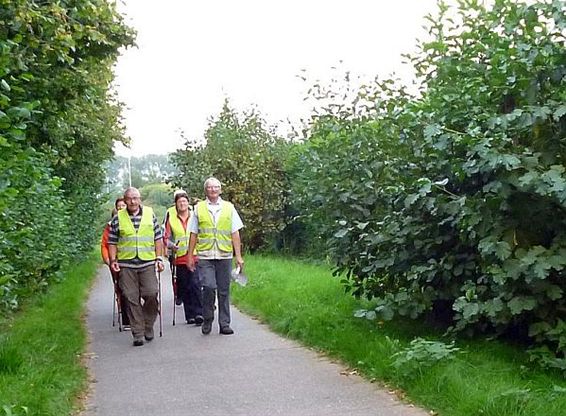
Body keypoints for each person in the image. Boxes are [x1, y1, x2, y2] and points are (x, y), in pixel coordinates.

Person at [108, 187, 165, 347]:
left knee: (151, 293)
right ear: (125, 201)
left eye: (136, 198)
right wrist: (113, 260)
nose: (133, 201)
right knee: (130, 297)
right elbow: (112, 241)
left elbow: (158, 238)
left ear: (140, 199)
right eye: (129, 199)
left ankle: (148, 325)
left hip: (147, 262)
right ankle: (138, 333)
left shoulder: (149, 214)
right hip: (126, 265)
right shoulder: (117, 218)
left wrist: (159, 258)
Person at [187, 177, 244, 335]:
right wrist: (190, 255)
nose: (213, 190)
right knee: (209, 287)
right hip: (205, 255)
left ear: (220, 190)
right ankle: (208, 318)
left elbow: (235, 233)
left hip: (224, 254)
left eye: (216, 187)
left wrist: (238, 256)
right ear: (206, 190)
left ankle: (224, 323)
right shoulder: (198, 208)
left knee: (224, 290)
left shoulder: (229, 207)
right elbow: (193, 233)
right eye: (210, 187)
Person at [163, 191, 204, 325]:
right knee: (185, 285)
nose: (182, 204)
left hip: (195, 254)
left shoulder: (195, 216)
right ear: (175, 204)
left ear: (188, 203)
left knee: (195, 283)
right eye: (179, 202)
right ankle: (190, 315)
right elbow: (166, 237)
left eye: (184, 201)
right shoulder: (171, 218)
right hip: (180, 256)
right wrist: (171, 246)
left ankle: (199, 313)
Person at [101, 197, 131, 330]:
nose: (121, 209)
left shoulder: (135, 222)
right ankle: (127, 320)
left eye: (123, 206)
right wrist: (108, 260)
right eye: (119, 207)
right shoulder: (110, 226)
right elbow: (105, 245)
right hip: (116, 262)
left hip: (131, 260)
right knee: (123, 290)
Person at [164, 189, 186, 305]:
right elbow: (165, 232)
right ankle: (178, 294)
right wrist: (168, 247)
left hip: (192, 251)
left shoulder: (192, 210)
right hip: (174, 249)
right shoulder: (170, 212)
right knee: (176, 274)